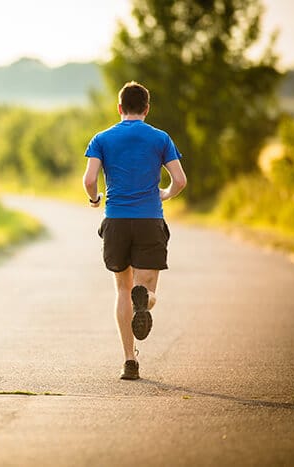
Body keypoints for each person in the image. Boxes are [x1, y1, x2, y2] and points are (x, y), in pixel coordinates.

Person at [83, 81, 187, 380]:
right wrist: (165, 194)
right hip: (149, 220)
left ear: (119, 108)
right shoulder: (160, 138)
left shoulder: (102, 138)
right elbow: (179, 180)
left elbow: (90, 179)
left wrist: (94, 199)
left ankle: (129, 361)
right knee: (147, 291)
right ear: (146, 108)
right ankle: (146, 301)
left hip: (116, 220)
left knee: (122, 290)